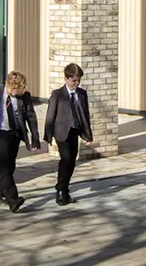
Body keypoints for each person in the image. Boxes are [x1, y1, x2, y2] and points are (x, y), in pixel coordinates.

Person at [0, 70, 40, 212]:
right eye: (13, 90)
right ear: (6, 84)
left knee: (10, 167)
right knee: (3, 168)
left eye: (18, 91)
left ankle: (2, 193)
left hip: (14, 134)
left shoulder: (24, 97)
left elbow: (31, 117)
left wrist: (35, 138)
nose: (15, 93)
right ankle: (13, 199)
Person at [45, 62, 96, 205]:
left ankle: (65, 188)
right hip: (61, 132)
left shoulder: (82, 94)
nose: (76, 83)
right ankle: (60, 190)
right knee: (66, 158)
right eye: (74, 80)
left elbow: (85, 115)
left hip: (74, 131)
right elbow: (50, 115)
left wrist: (87, 135)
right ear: (66, 79)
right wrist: (48, 135)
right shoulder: (57, 94)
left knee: (72, 161)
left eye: (79, 80)